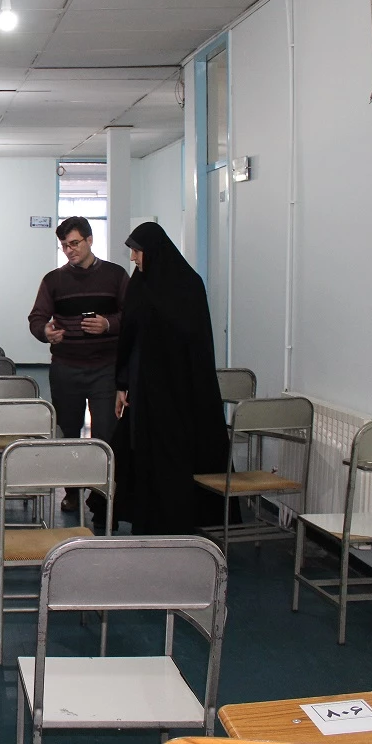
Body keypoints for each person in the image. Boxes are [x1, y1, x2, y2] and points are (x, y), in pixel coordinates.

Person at [114, 221, 230, 534]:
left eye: (137, 251)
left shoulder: (189, 285)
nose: (133, 257)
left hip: (181, 390)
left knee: (176, 454)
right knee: (143, 452)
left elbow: (197, 340)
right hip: (144, 389)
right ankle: (148, 519)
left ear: (153, 250)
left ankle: (180, 521)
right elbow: (129, 336)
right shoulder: (139, 284)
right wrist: (122, 384)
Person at [27, 215, 128, 518]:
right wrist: (45, 332)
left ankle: (100, 497)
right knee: (68, 433)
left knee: (105, 434)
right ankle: (72, 492)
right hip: (66, 368)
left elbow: (131, 315)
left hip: (105, 368)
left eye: (74, 244)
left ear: (90, 240)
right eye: (64, 246)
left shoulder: (115, 276)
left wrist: (108, 324)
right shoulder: (54, 280)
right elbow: (36, 317)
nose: (69, 250)